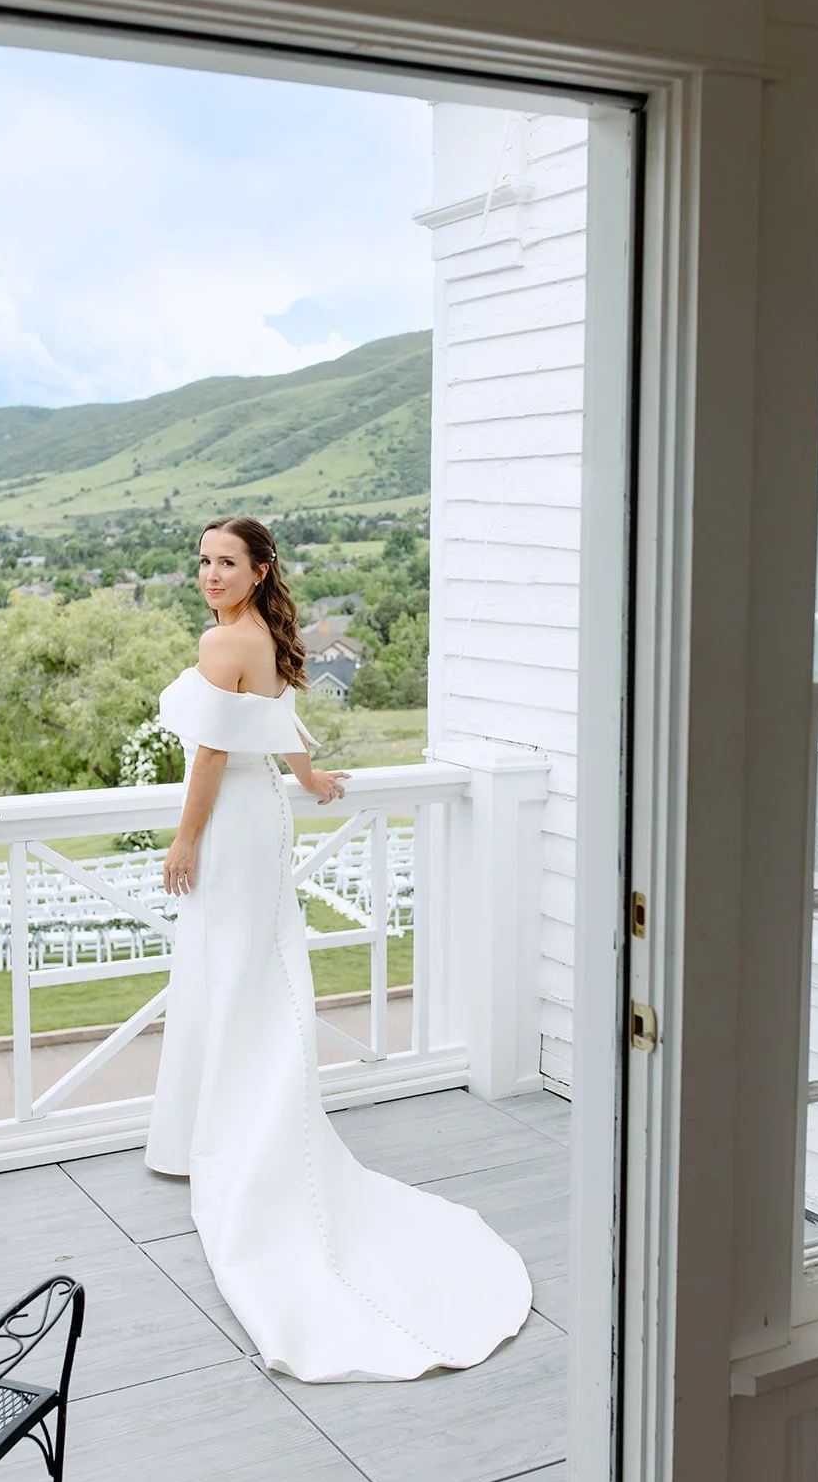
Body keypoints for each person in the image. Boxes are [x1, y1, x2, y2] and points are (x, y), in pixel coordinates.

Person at [146, 516, 530, 1382]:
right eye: (202, 562)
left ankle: (241, 1139)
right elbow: (279, 724)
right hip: (261, 821)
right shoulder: (266, 636)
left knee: (235, 977)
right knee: (247, 976)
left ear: (258, 568)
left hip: (229, 825)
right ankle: (220, 1129)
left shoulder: (224, 642)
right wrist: (311, 781)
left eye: (224, 562)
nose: (208, 574)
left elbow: (211, 754)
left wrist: (182, 843)